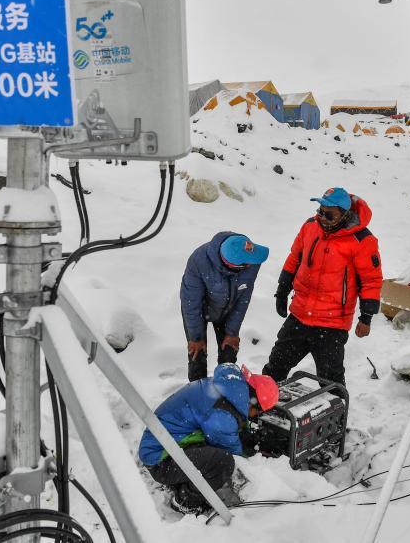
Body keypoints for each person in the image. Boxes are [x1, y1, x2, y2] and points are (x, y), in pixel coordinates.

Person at [263, 187, 383, 386]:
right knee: (274, 368)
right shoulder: (310, 226)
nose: (322, 217)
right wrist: (282, 290)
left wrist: (366, 317)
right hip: (300, 315)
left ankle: (336, 416)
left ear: (344, 214)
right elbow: (294, 258)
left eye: (328, 214)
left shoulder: (362, 240)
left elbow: (371, 280)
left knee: (330, 382)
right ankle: (260, 409)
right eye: (320, 211)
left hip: (332, 323)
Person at [138, 364, 279, 514]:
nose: (255, 416)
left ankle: (182, 483)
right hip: (160, 461)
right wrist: (252, 460)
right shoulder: (223, 413)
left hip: (163, 445)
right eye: (259, 412)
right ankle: (185, 501)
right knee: (222, 462)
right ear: (254, 402)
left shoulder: (228, 388)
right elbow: (232, 451)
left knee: (213, 453)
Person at [181, 232, 269, 381]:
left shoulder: (252, 260)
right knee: (197, 354)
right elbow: (191, 302)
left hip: (229, 308)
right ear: (233, 266)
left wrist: (232, 332)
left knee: (229, 355)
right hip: (199, 309)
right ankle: (199, 392)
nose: (252, 264)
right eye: (247, 264)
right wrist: (196, 337)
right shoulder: (198, 261)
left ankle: (226, 391)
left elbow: (243, 298)